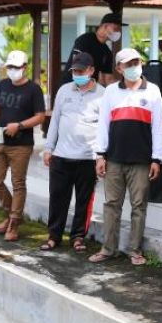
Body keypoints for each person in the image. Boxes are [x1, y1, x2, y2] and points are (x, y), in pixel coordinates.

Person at [89, 48, 162, 266]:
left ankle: (135, 250)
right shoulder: (111, 91)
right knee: (112, 204)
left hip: (142, 160)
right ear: (119, 68)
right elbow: (103, 125)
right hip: (113, 158)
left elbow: (157, 127)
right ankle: (108, 249)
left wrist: (156, 158)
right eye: (127, 64)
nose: (133, 67)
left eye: (136, 62)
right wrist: (100, 155)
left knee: (138, 206)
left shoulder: (152, 91)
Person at [41, 52, 104, 252]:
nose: (77, 74)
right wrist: (48, 148)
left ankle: (78, 237)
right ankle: (54, 236)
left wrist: (102, 155)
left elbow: (105, 128)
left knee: (84, 201)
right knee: (58, 198)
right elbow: (55, 121)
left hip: (88, 157)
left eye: (81, 71)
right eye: (74, 71)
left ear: (91, 70)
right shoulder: (63, 91)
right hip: (61, 156)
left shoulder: (103, 94)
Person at [0, 49, 46, 243]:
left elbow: (40, 116)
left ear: (25, 68)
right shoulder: (3, 84)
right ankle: (12, 214)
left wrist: (19, 125)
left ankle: (13, 223)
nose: (12, 70)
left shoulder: (34, 89)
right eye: (10, 67)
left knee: (18, 183)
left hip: (21, 144)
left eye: (16, 67)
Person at [64, 12, 122, 87]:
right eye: (115, 29)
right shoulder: (85, 40)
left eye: (119, 30)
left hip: (90, 90)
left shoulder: (107, 52)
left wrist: (123, 85)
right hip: (71, 86)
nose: (118, 32)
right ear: (105, 26)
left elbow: (108, 79)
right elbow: (77, 65)